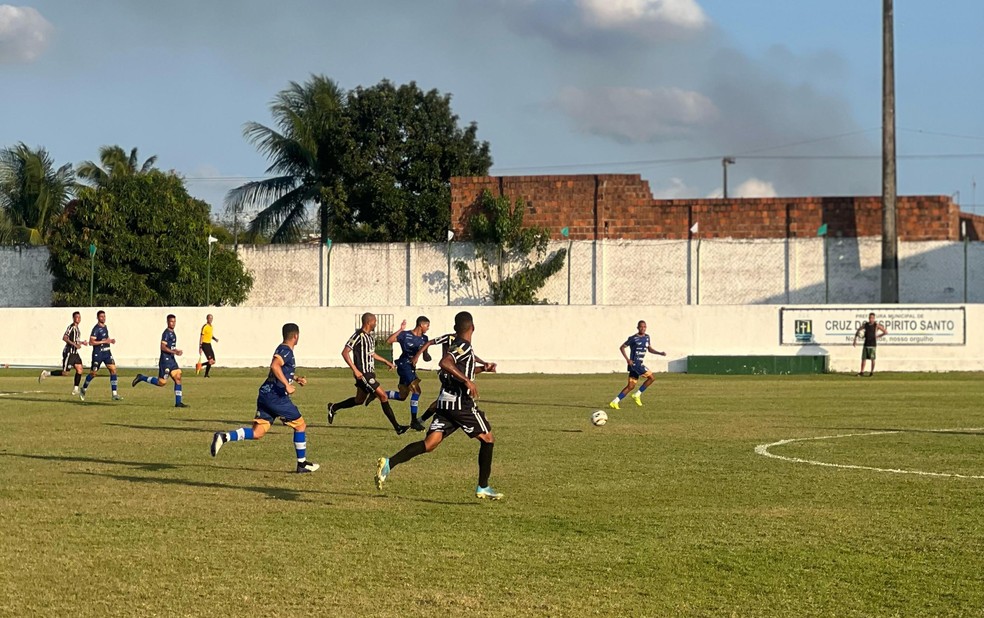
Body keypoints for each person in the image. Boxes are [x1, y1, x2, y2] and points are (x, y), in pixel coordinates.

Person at [375, 311, 503, 501]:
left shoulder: (457, 346)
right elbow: (445, 363)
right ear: (473, 328)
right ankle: (483, 486)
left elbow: (456, 368)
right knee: (488, 439)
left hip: (445, 402)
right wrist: (467, 381)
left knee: (429, 444)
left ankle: (388, 464)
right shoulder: (464, 346)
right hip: (460, 404)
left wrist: (483, 368)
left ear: (455, 328)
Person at [210, 323, 319, 473]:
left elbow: (281, 370)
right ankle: (302, 464)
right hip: (276, 397)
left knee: (258, 432)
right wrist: (287, 386)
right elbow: (275, 366)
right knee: (300, 425)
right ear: (296, 336)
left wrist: (296, 378)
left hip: (266, 395)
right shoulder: (286, 350)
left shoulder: (281, 349)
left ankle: (224, 437)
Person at [326, 312, 409, 435]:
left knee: (359, 400)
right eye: (375, 321)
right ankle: (398, 427)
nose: (376, 323)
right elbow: (345, 352)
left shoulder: (369, 337)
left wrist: (387, 362)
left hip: (370, 373)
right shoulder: (358, 335)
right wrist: (355, 370)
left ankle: (333, 407)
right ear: (369, 322)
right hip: (363, 374)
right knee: (383, 396)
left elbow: (371, 354)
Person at [383, 316, 432, 431]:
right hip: (403, 365)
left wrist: (427, 355)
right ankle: (414, 421)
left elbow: (425, 356)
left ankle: (379, 393)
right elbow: (389, 341)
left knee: (402, 396)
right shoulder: (405, 335)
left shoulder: (425, 338)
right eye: (427, 325)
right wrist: (400, 329)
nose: (428, 328)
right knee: (417, 390)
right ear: (421, 325)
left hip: (411, 368)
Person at [131, 314, 188, 408]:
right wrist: (173, 351)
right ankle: (142, 377)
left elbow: (170, 347)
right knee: (162, 383)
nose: (173, 323)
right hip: (165, 361)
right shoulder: (166, 333)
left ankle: (178, 402)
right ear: (167, 322)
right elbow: (163, 347)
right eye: (171, 321)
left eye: (174, 321)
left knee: (178, 378)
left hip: (172, 360)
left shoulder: (173, 333)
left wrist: (175, 350)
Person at [609, 320, 666, 410]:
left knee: (631, 386)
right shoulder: (633, 338)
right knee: (651, 378)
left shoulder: (647, 337)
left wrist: (659, 353)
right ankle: (637, 394)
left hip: (637, 364)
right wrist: (628, 359)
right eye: (641, 327)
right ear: (638, 327)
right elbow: (622, 347)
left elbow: (650, 349)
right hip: (635, 364)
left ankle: (615, 402)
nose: (643, 328)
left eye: (644, 327)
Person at [39, 310, 87, 395]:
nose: (78, 319)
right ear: (73, 318)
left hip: (75, 353)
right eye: (77, 317)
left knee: (79, 369)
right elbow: (65, 338)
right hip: (69, 353)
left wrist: (82, 343)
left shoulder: (78, 330)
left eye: (79, 317)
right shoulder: (71, 327)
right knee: (65, 373)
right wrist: (75, 345)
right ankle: (47, 373)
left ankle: (75, 389)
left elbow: (76, 341)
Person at [80, 310, 122, 402]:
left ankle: (114, 394)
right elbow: (91, 342)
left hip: (107, 353)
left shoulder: (105, 327)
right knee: (93, 373)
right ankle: (84, 388)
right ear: (98, 318)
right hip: (98, 353)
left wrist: (110, 341)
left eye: (104, 316)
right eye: (101, 316)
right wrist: (104, 341)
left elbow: (105, 339)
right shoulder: (96, 329)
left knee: (113, 370)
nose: (103, 318)